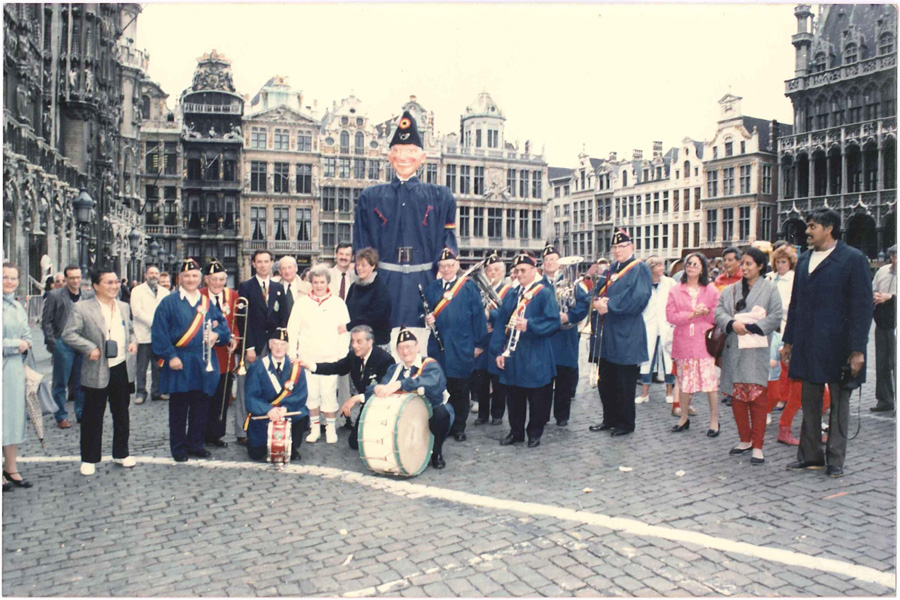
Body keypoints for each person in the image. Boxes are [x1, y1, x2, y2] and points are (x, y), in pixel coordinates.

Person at [353, 111, 457, 349]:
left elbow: (448, 241)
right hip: (385, 282)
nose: (404, 157)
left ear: (422, 157)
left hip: (426, 280)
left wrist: (445, 272)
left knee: (423, 342)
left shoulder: (441, 197)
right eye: (398, 151)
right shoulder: (370, 198)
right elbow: (362, 245)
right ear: (389, 156)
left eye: (411, 151)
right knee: (383, 343)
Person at [782, 208, 873, 478]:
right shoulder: (805, 258)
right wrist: (788, 341)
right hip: (808, 344)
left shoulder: (853, 259)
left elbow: (862, 307)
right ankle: (810, 456)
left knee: (839, 403)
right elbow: (795, 304)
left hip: (840, 346)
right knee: (809, 401)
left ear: (828, 228)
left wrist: (857, 350)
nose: (807, 231)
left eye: (812, 226)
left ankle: (835, 459)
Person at [152, 259, 231, 462]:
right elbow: (159, 333)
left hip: (203, 360)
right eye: (186, 276)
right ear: (180, 278)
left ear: (200, 278)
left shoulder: (206, 303)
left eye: (194, 275)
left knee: (201, 405)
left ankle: (196, 444)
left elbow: (223, 327)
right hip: (180, 360)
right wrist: (171, 356)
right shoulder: (169, 302)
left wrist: (217, 336)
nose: (190, 279)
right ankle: (178, 447)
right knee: (179, 407)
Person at [61, 268, 138, 476]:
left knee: (122, 413)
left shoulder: (123, 306)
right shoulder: (82, 308)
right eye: (109, 283)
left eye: (115, 282)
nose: (114, 286)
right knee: (93, 415)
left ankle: (121, 453)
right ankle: (89, 458)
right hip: (96, 368)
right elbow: (68, 334)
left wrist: (132, 342)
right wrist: (89, 348)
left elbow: (130, 329)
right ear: (96, 286)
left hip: (121, 366)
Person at [716, 247, 782, 465]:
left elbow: (776, 315)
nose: (743, 267)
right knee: (738, 397)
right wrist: (732, 323)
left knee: (758, 398)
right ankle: (745, 439)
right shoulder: (729, 290)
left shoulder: (770, 289)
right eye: (742, 263)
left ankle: (758, 445)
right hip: (734, 347)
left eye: (748, 264)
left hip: (756, 348)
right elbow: (719, 313)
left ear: (760, 266)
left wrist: (754, 326)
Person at [490, 252, 560, 448]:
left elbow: (553, 322)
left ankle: (534, 433)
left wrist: (529, 325)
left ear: (534, 270)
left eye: (523, 270)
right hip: (513, 354)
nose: (519, 274)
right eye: (516, 271)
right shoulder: (512, 293)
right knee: (514, 396)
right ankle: (516, 431)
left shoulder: (544, 293)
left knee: (537, 396)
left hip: (535, 352)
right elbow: (500, 324)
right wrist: (498, 352)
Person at [587, 229, 652, 437]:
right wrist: (595, 302)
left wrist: (611, 306)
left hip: (626, 334)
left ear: (631, 247)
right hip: (606, 336)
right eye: (614, 247)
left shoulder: (639, 268)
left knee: (624, 383)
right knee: (605, 380)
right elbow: (595, 291)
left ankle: (625, 423)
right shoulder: (610, 269)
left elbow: (639, 299)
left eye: (622, 246)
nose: (617, 250)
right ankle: (609, 419)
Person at [424, 247, 487, 441]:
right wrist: (426, 319)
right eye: (442, 266)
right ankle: (444, 423)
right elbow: (423, 310)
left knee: (460, 388)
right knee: (440, 386)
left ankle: (459, 427)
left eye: (450, 265)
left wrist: (479, 345)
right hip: (438, 346)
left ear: (457, 265)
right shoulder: (432, 288)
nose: (446, 269)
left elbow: (478, 318)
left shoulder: (468, 287)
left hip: (462, 345)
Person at [368, 326, 453, 469]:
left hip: (430, 414)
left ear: (417, 347)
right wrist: (376, 388)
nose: (405, 351)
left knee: (442, 414)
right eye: (400, 348)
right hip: (405, 417)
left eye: (408, 346)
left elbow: (430, 382)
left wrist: (401, 384)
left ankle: (437, 452)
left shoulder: (430, 365)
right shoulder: (394, 370)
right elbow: (379, 386)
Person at [302, 325, 395, 449]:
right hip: (367, 405)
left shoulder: (385, 359)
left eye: (359, 341)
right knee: (355, 442)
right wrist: (312, 366)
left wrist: (356, 398)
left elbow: (384, 390)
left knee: (376, 440)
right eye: (353, 341)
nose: (354, 345)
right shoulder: (353, 356)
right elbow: (336, 367)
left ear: (370, 342)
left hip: (382, 406)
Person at [287, 266, 350, 444]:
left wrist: (342, 355)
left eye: (322, 282)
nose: (319, 285)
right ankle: (314, 428)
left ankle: (330, 428)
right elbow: (293, 330)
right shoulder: (301, 303)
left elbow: (344, 331)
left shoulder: (338, 303)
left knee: (329, 394)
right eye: (315, 282)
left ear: (328, 283)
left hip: (330, 358)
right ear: (310, 283)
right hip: (307, 357)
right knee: (312, 394)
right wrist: (293, 354)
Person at [666, 253, 721, 436]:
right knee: (684, 382)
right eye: (689, 264)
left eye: (695, 264)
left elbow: (717, 315)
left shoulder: (711, 290)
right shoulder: (675, 290)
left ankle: (714, 421)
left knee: (709, 384)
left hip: (703, 343)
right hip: (683, 342)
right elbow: (671, 316)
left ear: (703, 268)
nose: (691, 267)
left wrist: (705, 312)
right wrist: (690, 315)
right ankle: (683, 418)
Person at [234, 250, 284, 445]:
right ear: (253, 264)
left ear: (272, 263)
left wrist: (278, 345)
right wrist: (249, 347)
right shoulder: (245, 287)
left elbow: (283, 319)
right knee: (245, 387)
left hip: (272, 346)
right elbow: (242, 320)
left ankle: (265, 426)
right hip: (253, 345)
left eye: (266, 261)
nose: (263, 265)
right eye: (259, 262)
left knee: (270, 388)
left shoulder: (278, 287)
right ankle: (242, 430)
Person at [541, 244, 590, 427]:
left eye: (553, 259)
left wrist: (568, 316)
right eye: (546, 260)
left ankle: (562, 416)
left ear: (560, 262)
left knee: (564, 378)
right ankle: (542, 415)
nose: (550, 262)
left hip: (565, 337)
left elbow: (584, 305)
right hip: (546, 338)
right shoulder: (540, 284)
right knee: (545, 380)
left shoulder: (574, 283)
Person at [243, 328, 308, 462]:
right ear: (270, 345)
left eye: (283, 344)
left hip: (286, 413)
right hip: (265, 414)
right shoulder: (257, 367)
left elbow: (301, 394)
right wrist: (269, 410)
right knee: (256, 453)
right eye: (276, 343)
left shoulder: (297, 369)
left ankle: (292, 445)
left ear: (288, 347)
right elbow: (251, 397)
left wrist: (286, 408)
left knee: (302, 412)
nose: (279, 347)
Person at [41, 264, 92, 428]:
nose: (76, 281)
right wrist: (53, 344)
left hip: (82, 343)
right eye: (72, 278)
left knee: (82, 381)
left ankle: (81, 413)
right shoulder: (55, 295)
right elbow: (46, 321)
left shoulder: (87, 296)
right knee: (60, 383)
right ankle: (61, 415)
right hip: (63, 344)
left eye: (78, 277)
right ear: (66, 279)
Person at [199, 260, 240, 448]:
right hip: (203, 354)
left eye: (222, 279)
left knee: (221, 396)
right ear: (207, 279)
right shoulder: (198, 296)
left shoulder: (232, 295)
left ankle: (216, 433)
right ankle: (199, 433)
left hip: (225, 354)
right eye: (214, 279)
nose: (218, 283)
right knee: (202, 396)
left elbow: (236, 323)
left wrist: (236, 339)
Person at [2, 263, 33, 491]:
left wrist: (26, 342)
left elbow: (27, 334)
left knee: (13, 417)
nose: (10, 281)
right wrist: (17, 344)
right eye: (5, 277)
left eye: (14, 277)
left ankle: (11, 467)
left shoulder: (18, 305)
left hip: (14, 369)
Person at [473, 253, 513, 426]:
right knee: (480, 379)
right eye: (489, 270)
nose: (492, 273)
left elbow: (509, 313)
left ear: (503, 272)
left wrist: (490, 314)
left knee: (498, 380)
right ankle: (482, 414)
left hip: (499, 340)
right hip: (482, 340)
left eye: (497, 269)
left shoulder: (509, 290)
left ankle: (497, 413)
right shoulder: (477, 290)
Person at [638, 256, 676, 405]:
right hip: (649, 325)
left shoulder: (670, 283)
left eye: (662, 265)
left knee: (668, 358)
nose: (662, 268)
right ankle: (645, 393)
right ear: (651, 267)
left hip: (667, 324)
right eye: (658, 265)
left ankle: (669, 392)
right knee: (647, 359)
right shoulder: (643, 284)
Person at [130, 264, 169, 404]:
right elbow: (136, 311)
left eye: (156, 273)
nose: (154, 276)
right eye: (151, 273)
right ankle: (140, 392)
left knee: (159, 365)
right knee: (142, 366)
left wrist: (162, 325)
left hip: (160, 335)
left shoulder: (165, 292)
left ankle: (157, 391)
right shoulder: (137, 291)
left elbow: (167, 311)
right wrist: (154, 323)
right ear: (146, 275)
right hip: (143, 333)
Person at [344, 248, 392, 352]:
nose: (359, 268)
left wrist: (348, 326)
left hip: (376, 345)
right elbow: (346, 310)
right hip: (356, 343)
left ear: (373, 266)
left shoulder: (380, 289)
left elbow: (375, 318)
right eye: (357, 265)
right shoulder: (354, 287)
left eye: (363, 265)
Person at [871, 245, 896, 413]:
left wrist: (891, 297)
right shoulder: (883, 271)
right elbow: (873, 289)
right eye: (893, 256)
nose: (895, 259)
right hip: (882, 322)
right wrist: (875, 295)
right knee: (882, 363)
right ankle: (884, 399)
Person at [271, 255, 308, 329]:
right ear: (280, 271)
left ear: (296, 268)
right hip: (281, 335)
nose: (287, 271)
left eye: (290, 267)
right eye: (283, 268)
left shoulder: (308, 288)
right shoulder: (273, 288)